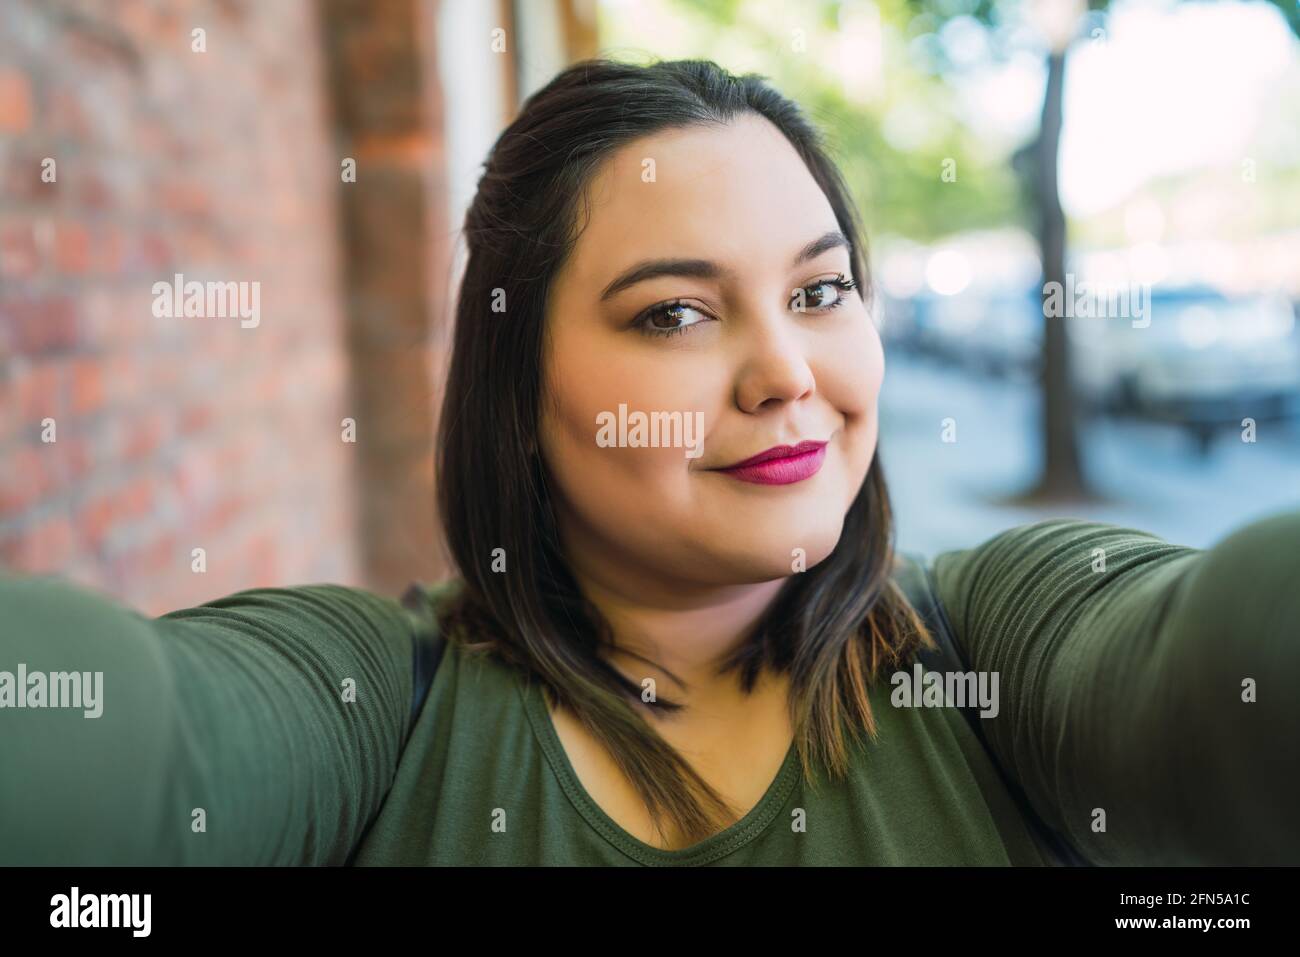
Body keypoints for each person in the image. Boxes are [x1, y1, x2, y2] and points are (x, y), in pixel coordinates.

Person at [1, 58, 1296, 867]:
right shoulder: (371, 711)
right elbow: (123, 746)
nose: (786, 371)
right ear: (519, 390)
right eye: (675, 311)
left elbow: (1220, 668)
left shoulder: (993, 648)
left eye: (823, 290)